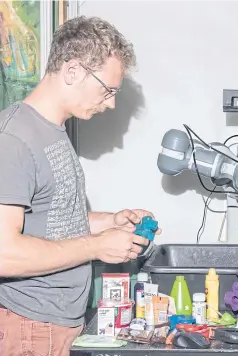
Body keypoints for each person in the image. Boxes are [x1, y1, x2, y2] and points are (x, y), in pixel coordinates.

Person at [0, 16, 160, 356]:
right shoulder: (13, 139)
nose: (111, 102)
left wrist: (111, 222)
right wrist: (96, 246)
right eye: (108, 89)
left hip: (56, 325)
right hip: (28, 327)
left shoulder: (53, 132)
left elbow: (53, 221)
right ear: (73, 71)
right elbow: (3, 253)